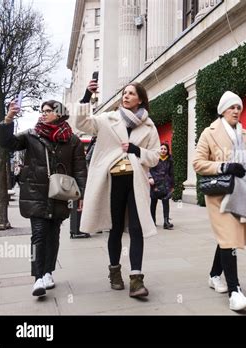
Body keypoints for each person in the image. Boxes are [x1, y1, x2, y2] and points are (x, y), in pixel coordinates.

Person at [76, 80, 160, 298]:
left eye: (131, 93)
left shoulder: (149, 126)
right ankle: (114, 272)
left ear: (140, 99)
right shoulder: (107, 119)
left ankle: (136, 279)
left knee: (136, 228)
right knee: (114, 228)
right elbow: (83, 123)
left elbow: (155, 157)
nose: (126, 96)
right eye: (124, 93)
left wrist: (136, 150)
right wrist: (87, 97)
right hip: (112, 181)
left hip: (136, 182)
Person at [0, 99, 87, 297]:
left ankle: (48, 272)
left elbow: (80, 169)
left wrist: (81, 194)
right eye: (43, 110)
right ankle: (38, 277)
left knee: (53, 235)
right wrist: (9, 118)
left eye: (48, 111)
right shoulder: (32, 134)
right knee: (38, 235)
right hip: (36, 193)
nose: (44, 113)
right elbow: (8, 143)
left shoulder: (72, 140)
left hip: (61, 194)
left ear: (60, 113)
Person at [193, 91, 246, 311]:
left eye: (239, 107)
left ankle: (214, 275)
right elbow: (198, 162)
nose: (236, 111)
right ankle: (235, 292)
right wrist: (224, 167)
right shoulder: (209, 132)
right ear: (223, 110)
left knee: (228, 237)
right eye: (232, 107)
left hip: (243, 195)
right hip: (220, 195)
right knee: (230, 238)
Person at [149, 143, 175, 229]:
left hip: (166, 184)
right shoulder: (154, 159)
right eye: (162, 149)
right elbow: (149, 170)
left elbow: (172, 173)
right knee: (153, 202)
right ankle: (152, 221)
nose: (163, 150)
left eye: (165, 149)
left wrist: (172, 185)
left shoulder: (170, 160)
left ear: (167, 151)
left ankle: (166, 221)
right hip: (155, 184)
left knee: (166, 201)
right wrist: (151, 178)